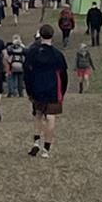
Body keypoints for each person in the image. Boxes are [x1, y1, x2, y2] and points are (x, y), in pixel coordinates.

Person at [24, 24, 69, 158]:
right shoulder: (57, 54)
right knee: (50, 118)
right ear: (52, 36)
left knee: (38, 114)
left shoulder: (32, 52)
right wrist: (63, 91)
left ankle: (36, 141)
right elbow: (63, 75)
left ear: (40, 36)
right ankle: (46, 148)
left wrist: (29, 90)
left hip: (37, 87)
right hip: (53, 89)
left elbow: (27, 72)